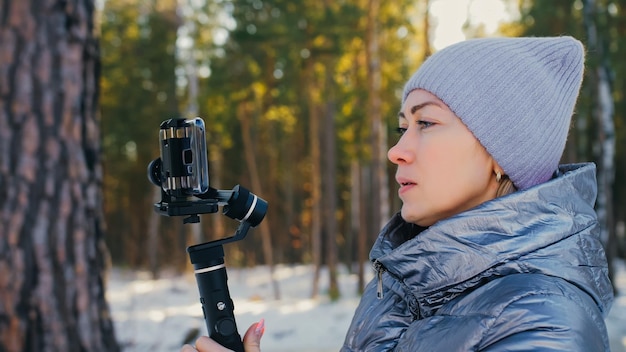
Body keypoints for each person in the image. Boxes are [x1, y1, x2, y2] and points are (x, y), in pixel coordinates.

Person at [181, 35, 614, 352]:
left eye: (426, 124)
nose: (396, 151)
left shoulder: (543, 323)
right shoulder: (404, 284)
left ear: (502, 153)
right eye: (402, 127)